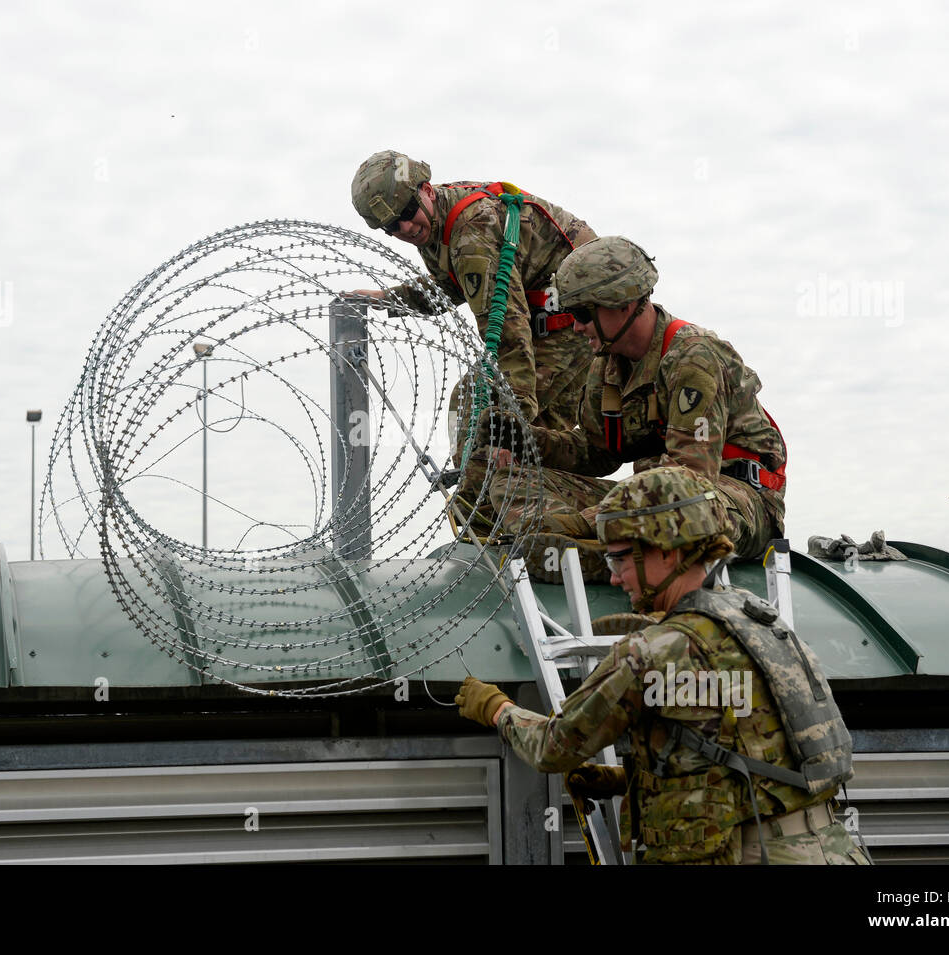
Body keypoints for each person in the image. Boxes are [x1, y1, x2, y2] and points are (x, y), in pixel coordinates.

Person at [456, 466, 869, 865]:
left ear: (668, 553)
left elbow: (554, 746)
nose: (615, 577)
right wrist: (630, 781)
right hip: (831, 848)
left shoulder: (656, 650)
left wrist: (496, 708)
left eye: (619, 560)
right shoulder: (758, 618)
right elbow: (748, 749)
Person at [489, 234, 787, 575]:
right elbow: (596, 451)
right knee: (509, 481)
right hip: (643, 499)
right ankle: (584, 548)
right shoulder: (606, 365)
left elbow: (687, 480)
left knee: (674, 508)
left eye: (583, 313)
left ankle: (591, 555)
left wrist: (587, 521)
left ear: (622, 303)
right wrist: (527, 441)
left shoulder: (694, 357)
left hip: (729, 501)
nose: (576, 326)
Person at [348, 150, 596, 441]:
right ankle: (491, 478)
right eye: (391, 226)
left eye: (406, 213)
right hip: (554, 323)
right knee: (524, 442)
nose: (405, 228)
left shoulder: (470, 232)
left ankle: (476, 482)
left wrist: (514, 407)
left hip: (580, 321)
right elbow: (447, 286)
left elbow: (503, 323)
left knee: (479, 409)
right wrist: (389, 298)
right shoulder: (435, 220)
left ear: (427, 190)